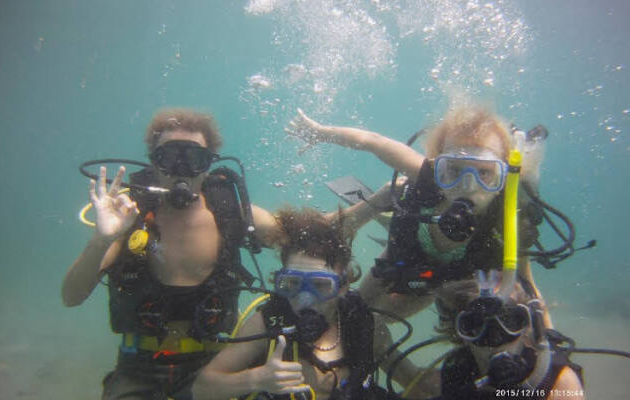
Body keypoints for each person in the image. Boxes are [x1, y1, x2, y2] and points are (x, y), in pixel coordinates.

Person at [61, 108, 392, 400]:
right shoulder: (130, 216)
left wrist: (381, 199)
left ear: (209, 165)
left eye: (193, 159)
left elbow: (315, 232)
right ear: (153, 163)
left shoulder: (232, 212)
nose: (180, 170)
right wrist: (102, 240)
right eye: (169, 157)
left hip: (215, 362)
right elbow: (72, 296)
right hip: (138, 369)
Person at [285, 105, 548, 321]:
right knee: (354, 311)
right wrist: (321, 133)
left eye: (485, 173)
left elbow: (528, 284)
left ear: (504, 177)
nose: (467, 186)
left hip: (441, 283)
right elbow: (374, 142)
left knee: (383, 319)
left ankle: (389, 202)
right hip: (404, 252)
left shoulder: (505, 218)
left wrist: (547, 339)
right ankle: (385, 199)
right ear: (437, 166)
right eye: (454, 170)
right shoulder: (427, 176)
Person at [193, 207, 426, 400]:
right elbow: (202, 388)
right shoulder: (268, 324)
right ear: (279, 281)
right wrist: (257, 378)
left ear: (343, 285)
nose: (305, 299)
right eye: (292, 284)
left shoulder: (365, 325)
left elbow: (414, 382)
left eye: (321, 286)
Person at [428, 273, 584, 400]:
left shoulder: (557, 379)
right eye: (476, 325)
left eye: (509, 322)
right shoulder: (458, 371)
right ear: (460, 333)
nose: (495, 341)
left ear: (526, 327)